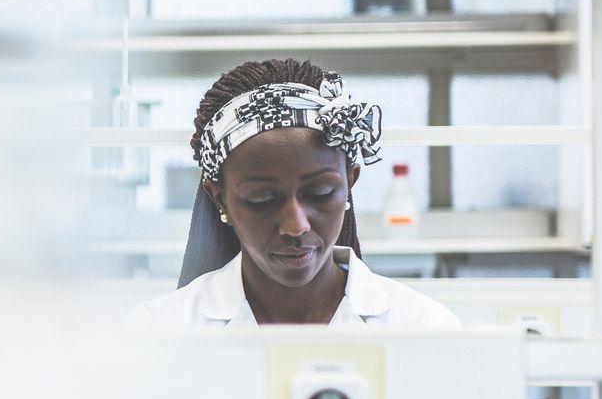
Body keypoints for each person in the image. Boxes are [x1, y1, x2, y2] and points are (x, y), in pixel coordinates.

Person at [126, 59, 458, 330]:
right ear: (220, 199)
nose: (295, 226)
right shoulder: (159, 330)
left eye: (320, 193)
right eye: (262, 200)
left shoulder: (423, 328)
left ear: (349, 183)